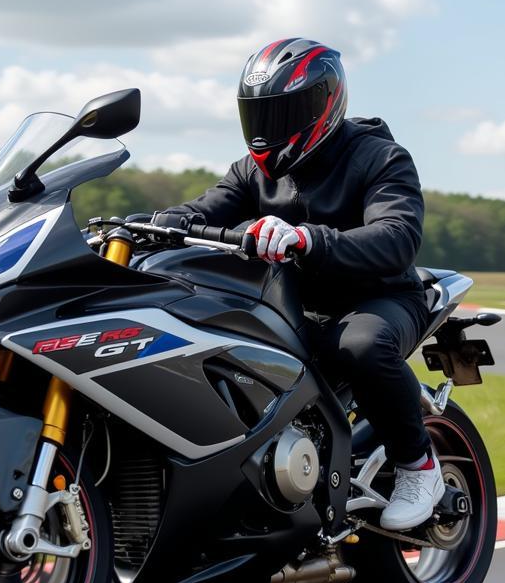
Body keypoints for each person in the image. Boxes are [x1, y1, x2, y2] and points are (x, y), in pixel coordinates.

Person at [158, 37, 443, 530]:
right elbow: (203, 210)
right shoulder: (250, 172)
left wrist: (308, 239)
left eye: (283, 114)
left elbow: (396, 236)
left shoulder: (380, 157)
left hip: (379, 297)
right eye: (260, 116)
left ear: (324, 105)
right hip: (291, 304)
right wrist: (146, 222)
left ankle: (418, 465)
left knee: (360, 345)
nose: (269, 131)